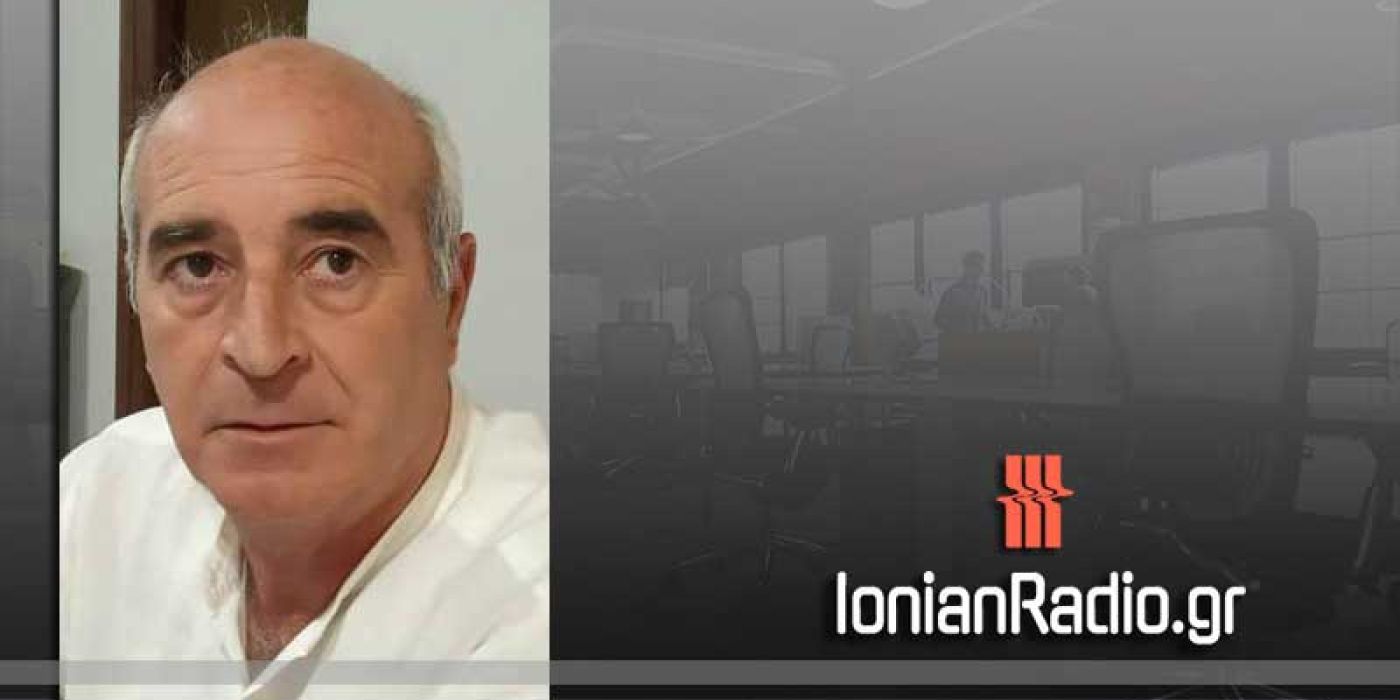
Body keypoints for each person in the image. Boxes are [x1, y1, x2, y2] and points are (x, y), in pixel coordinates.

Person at [59, 36, 547, 699]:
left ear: (451, 301)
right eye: (198, 266)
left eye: (336, 262)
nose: (261, 351)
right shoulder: (97, 498)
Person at [933, 250, 992, 334]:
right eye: (977, 266)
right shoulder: (952, 292)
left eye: (981, 267)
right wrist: (954, 332)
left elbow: (984, 317)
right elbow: (938, 319)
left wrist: (993, 327)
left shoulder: (983, 292)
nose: (981, 270)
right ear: (967, 267)